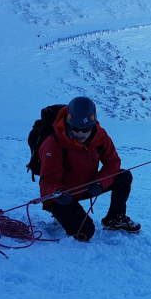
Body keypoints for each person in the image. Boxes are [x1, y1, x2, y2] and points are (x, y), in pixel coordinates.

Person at [38, 96, 141, 241]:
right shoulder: (53, 144)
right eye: (75, 129)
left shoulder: (100, 136)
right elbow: (47, 182)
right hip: (62, 197)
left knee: (124, 176)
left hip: (88, 186)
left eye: (85, 129)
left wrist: (100, 183)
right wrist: (59, 193)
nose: (80, 134)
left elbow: (112, 162)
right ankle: (60, 213)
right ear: (68, 123)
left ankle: (114, 219)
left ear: (93, 125)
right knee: (84, 234)